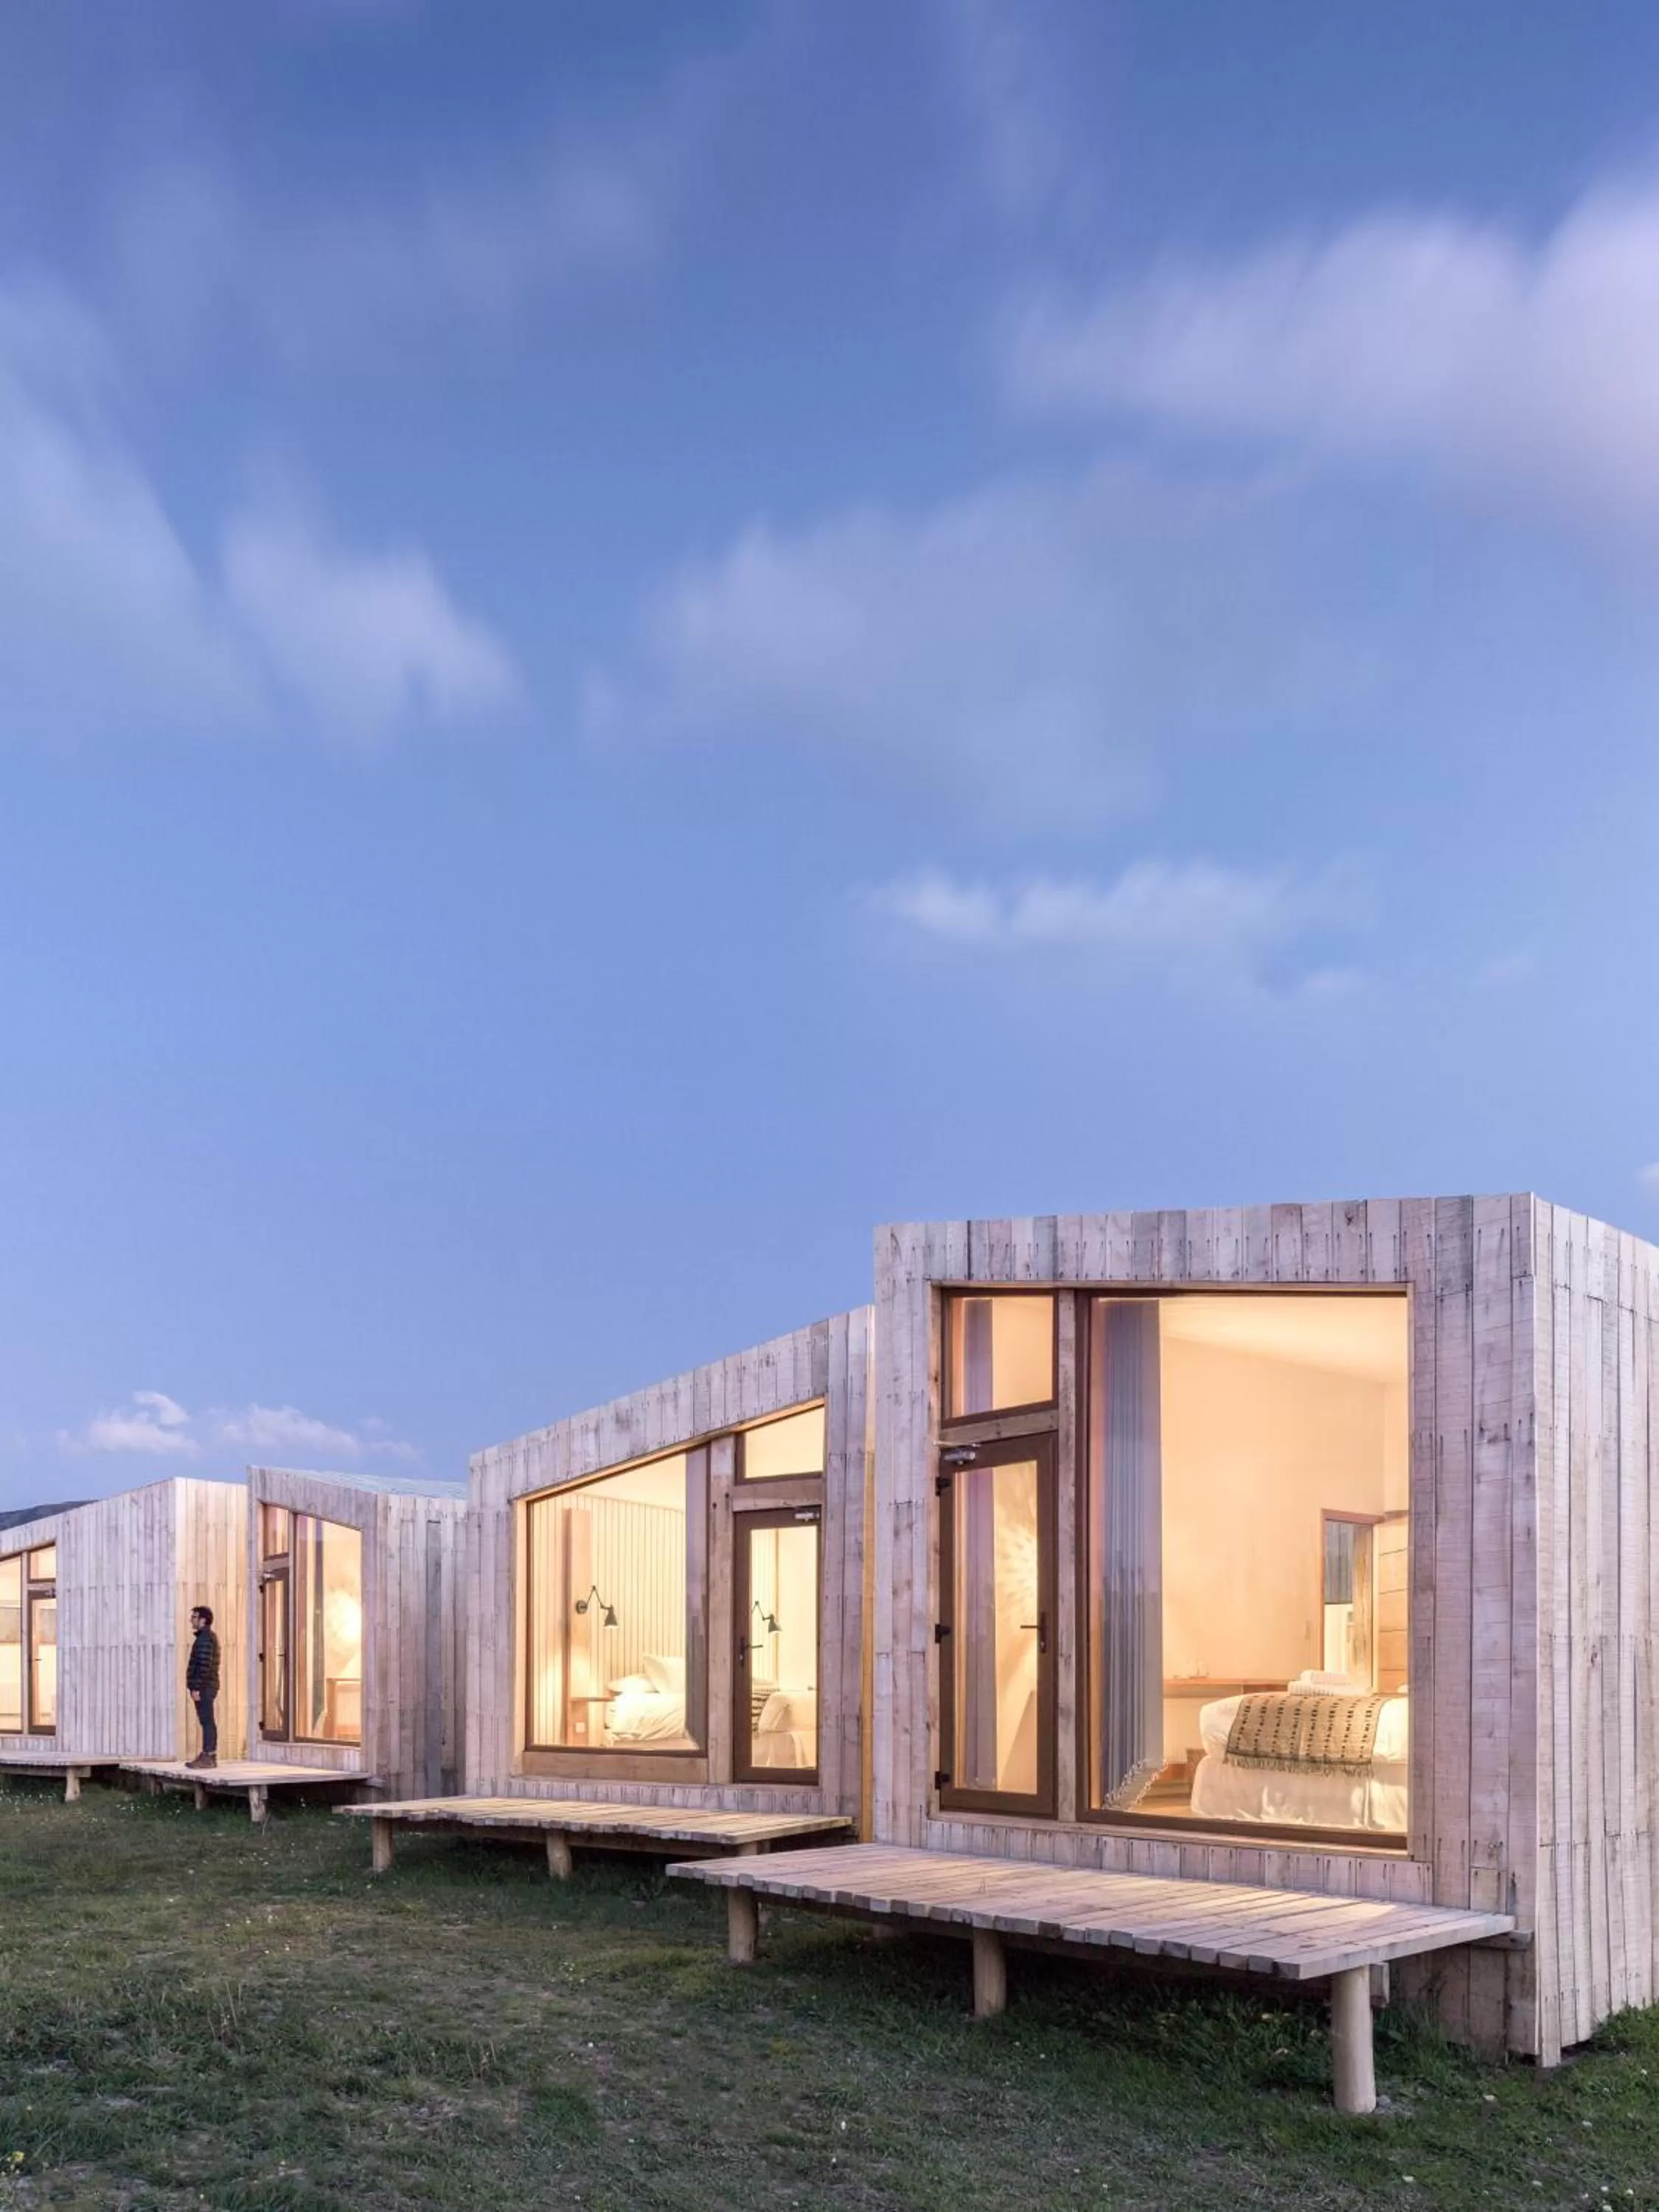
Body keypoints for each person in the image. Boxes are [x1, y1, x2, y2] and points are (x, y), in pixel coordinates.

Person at [186, 1605, 220, 1770]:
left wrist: (197, 1687)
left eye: (194, 1617)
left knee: (207, 1721)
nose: (191, 1620)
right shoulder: (206, 1638)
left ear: (203, 1620)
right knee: (207, 1721)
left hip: (205, 1687)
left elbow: (204, 1665)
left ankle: (209, 1755)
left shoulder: (205, 1639)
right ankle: (209, 1755)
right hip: (207, 1686)